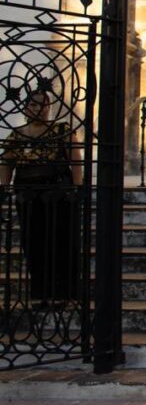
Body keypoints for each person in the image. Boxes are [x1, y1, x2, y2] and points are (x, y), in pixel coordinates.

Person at [0, 89, 83, 304]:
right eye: (34, 104)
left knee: (60, 241)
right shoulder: (17, 135)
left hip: (57, 194)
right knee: (34, 242)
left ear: (49, 107)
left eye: (43, 104)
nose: (38, 108)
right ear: (26, 107)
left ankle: (63, 293)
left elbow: (75, 161)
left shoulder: (61, 130)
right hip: (28, 195)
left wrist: (77, 188)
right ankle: (40, 293)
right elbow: (7, 163)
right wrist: (3, 188)